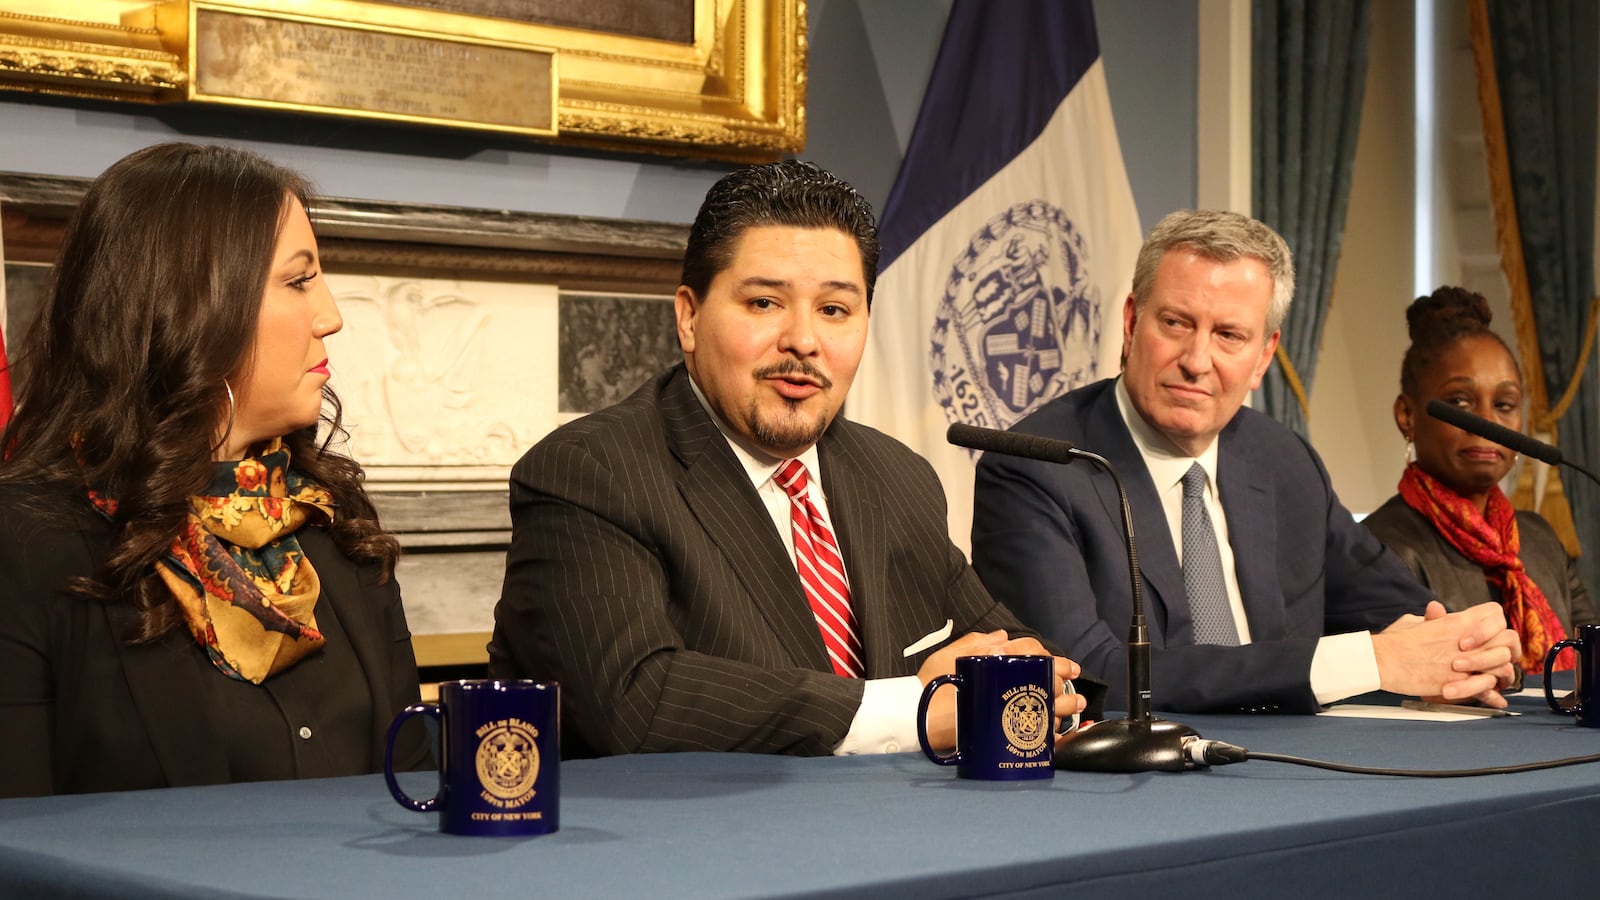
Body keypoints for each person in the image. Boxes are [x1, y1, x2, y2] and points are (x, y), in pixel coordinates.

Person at [489, 160, 1098, 758]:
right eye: (764, 303)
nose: (804, 341)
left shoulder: (895, 476)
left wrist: (1036, 683)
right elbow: (634, 701)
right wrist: (914, 708)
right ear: (689, 317)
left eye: (834, 310)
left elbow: (1017, 652)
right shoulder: (592, 471)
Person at [0, 143, 431, 798]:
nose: (331, 317)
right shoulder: (28, 542)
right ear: (192, 306)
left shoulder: (333, 523)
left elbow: (414, 784)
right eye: (298, 280)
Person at [971, 209, 1521, 714]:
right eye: (1176, 323)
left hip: (1298, 775)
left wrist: (1469, 648)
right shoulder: (1038, 467)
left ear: (1263, 357)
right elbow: (1089, 677)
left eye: (1229, 335)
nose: (1196, 361)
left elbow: (1408, 617)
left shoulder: (1283, 461)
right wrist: (1366, 661)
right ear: (1131, 321)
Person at [1363, 287, 1595, 673]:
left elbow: (1592, 662)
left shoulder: (1538, 537)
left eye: (1504, 405)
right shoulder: (1377, 548)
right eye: (1459, 402)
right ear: (1407, 415)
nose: (1487, 425)